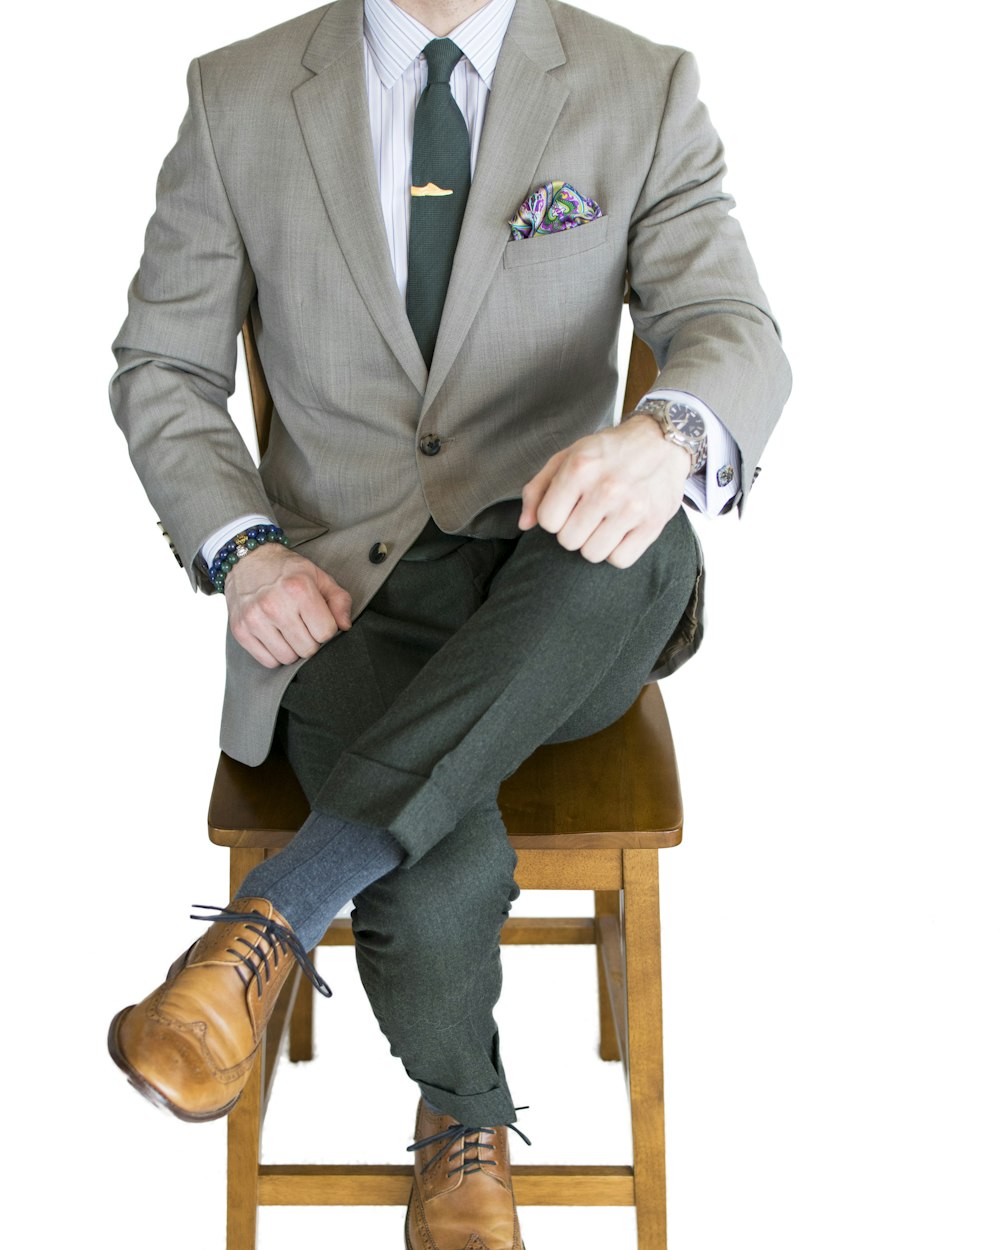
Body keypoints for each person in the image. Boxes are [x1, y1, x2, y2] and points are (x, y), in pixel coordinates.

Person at [106, 0, 791, 1244]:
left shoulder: (641, 84)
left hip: (559, 583)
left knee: (648, 538)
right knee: (436, 876)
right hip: (337, 603)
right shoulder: (236, 93)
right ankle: (461, 1129)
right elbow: (163, 367)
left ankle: (273, 918)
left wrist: (664, 432)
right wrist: (245, 553)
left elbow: (731, 329)